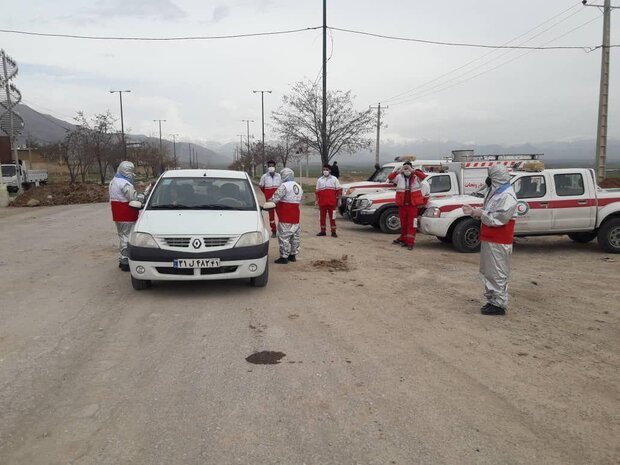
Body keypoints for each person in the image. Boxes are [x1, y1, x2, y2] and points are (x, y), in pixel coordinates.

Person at [463, 165, 518, 316]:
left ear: (496, 177)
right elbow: (490, 212)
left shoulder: (506, 196)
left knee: (497, 271)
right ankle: (492, 300)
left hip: (499, 239)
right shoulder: (496, 192)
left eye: (490, 176)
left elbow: (499, 218)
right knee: (489, 271)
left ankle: (498, 304)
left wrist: (480, 213)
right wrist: (476, 212)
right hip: (491, 238)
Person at [109, 161, 145, 271]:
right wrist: (143, 196)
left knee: (122, 236)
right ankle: (126, 261)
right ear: (127, 171)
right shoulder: (124, 183)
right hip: (127, 214)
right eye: (131, 171)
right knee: (127, 237)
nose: (132, 173)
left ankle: (122, 258)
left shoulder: (114, 181)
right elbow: (133, 197)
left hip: (119, 215)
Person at [266, 168, 303, 264]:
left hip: (285, 215)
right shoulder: (298, 186)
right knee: (295, 236)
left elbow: (275, 199)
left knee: (284, 237)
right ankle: (293, 255)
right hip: (295, 216)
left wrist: (267, 205)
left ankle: (284, 257)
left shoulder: (284, 186)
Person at [387, 162, 428, 250]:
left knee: (412, 224)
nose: (406, 170)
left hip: (412, 206)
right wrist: (398, 171)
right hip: (402, 206)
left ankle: (410, 243)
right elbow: (390, 177)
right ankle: (404, 240)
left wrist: (413, 171)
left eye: (408, 168)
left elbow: (424, 177)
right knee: (404, 224)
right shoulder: (399, 177)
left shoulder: (416, 177)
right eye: (405, 168)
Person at [315, 164, 341, 237]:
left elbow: (338, 190)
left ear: (330, 170)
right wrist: (316, 201)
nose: (325, 171)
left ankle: (333, 232)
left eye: (327, 169)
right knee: (322, 218)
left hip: (332, 203)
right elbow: (317, 192)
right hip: (322, 203)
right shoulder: (319, 180)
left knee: (332, 217)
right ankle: (323, 231)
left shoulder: (334, 179)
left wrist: (339, 200)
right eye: (324, 169)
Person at [258, 160, 282, 237]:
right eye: (270, 166)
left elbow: (282, 187)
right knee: (271, 217)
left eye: (272, 166)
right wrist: (267, 194)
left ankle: (282, 231)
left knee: (280, 216)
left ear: (275, 167)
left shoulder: (279, 176)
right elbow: (261, 187)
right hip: (269, 200)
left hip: (278, 200)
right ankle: (274, 231)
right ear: (268, 167)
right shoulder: (264, 177)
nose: (271, 167)